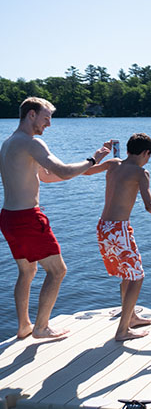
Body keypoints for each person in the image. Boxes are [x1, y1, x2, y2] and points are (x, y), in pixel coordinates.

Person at [0, 97, 110, 339]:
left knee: (27, 272)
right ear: (31, 115)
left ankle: (24, 326)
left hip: (9, 217)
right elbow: (61, 170)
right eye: (46, 117)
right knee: (57, 271)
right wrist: (91, 160)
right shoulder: (32, 143)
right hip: (28, 218)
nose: (49, 124)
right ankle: (41, 327)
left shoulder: (9, 143)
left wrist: (92, 167)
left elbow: (49, 177)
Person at [84, 133, 151, 341]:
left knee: (128, 273)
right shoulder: (141, 173)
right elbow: (149, 206)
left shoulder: (113, 164)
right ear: (145, 153)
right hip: (119, 229)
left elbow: (86, 171)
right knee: (137, 276)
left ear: (127, 149)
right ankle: (123, 330)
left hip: (104, 227)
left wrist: (99, 154)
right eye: (148, 156)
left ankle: (131, 317)